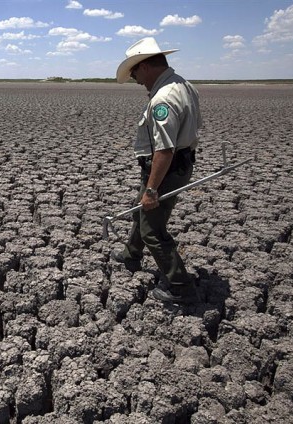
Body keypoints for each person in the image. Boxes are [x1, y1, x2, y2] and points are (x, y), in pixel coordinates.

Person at [112, 37, 202, 304]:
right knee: (142, 210)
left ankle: (180, 287)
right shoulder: (184, 85)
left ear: (147, 66)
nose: (136, 79)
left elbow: (165, 149)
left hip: (166, 169)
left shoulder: (163, 99)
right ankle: (131, 255)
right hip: (176, 165)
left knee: (153, 228)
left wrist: (152, 189)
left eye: (136, 72)